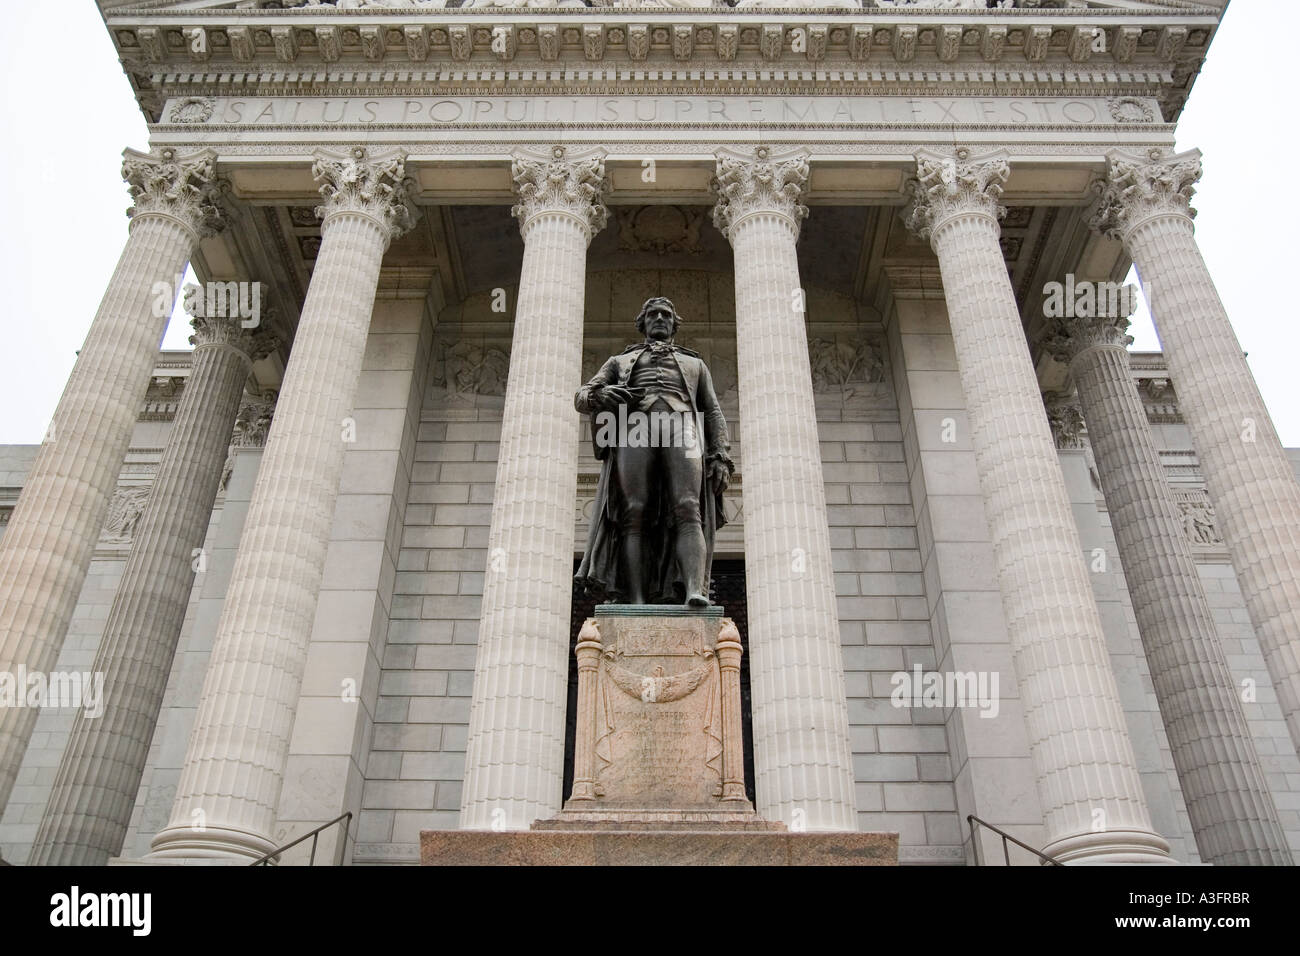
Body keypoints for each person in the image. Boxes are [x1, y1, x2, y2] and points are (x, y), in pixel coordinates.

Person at [575, 297, 733, 606]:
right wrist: (603, 394)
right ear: (642, 323)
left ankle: (694, 590)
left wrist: (720, 454)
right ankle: (635, 600)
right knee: (634, 511)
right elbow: (582, 397)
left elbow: (712, 411)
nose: (659, 318)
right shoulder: (619, 362)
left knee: (689, 506)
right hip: (635, 427)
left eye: (666, 315)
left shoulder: (695, 364)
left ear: (675, 324)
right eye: (652, 314)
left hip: (682, 426)